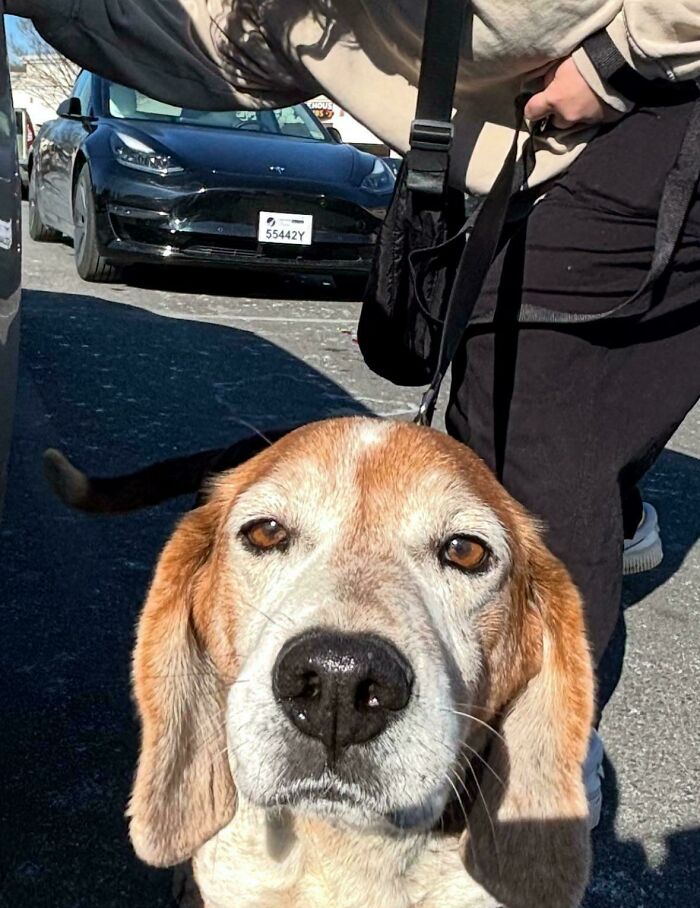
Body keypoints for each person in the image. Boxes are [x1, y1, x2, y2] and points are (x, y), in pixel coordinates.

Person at [8, 0, 700, 820]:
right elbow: (209, 46)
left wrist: (624, 55)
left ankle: (534, 787)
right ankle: (610, 505)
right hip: (514, 153)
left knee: (534, 437)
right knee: (477, 422)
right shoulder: (263, 17)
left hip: (658, 104)